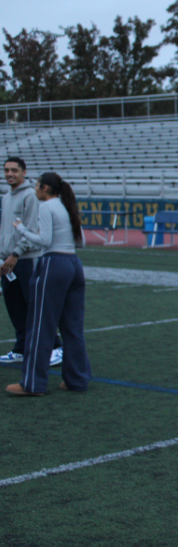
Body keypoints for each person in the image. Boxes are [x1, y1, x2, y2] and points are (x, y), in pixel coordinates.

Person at [5, 172, 91, 396]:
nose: (34, 189)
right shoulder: (66, 206)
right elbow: (81, 241)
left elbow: (44, 240)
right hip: (74, 264)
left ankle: (32, 384)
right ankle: (77, 379)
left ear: (44, 188)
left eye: (37, 186)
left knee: (40, 325)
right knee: (72, 327)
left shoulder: (46, 207)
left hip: (53, 263)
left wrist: (21, 229)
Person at [0, 157, 63, 367]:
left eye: (14, 170)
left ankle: (55, 346)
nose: (10, 174)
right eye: (7, 170)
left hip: (26, 260)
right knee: (14, 306)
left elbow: (33, 230)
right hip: (8, 261)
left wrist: (16, 253)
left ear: (24, 172)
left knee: (36, 306)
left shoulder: (30, 196)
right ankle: (21, 348)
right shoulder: (6, 196)